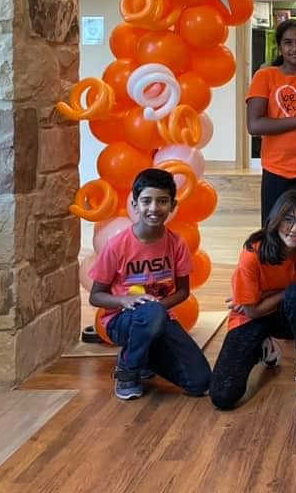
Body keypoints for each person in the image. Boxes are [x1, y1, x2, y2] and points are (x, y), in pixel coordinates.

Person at [89, 168, 211, 401]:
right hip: (120, 320)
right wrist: (125, 300)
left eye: (162, 201)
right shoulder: (117, 245)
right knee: (150, 315)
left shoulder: (176, 245)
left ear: (173, 205)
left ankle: (144, 356)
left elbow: (183, 291)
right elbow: (96, 296)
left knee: (201, 382)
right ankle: (128, 369)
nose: (154, 208)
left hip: (159, 317)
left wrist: (157, 308)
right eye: (146, 201)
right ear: (134, 204)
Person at [210, 190, 296, 413]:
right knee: (222, 396)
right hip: (251, 318)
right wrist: (284, 293)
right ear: (275, 220)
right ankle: (264, 347)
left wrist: (275, 293)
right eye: (288, 220)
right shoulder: (253, 252)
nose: (295, 229)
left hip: (283, 315)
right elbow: (252, 311)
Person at [246, 18, 296, 224]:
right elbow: (254, 125)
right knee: (272, 229)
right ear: (280, 47)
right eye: (288, 42)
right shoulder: (265, 76)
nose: (295, 48)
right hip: (276, 169)